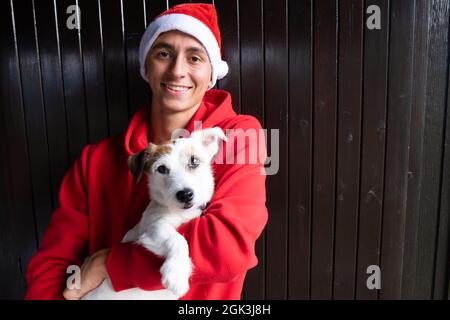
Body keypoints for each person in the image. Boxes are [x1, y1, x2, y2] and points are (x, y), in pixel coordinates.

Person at [25, 3, 268, 300]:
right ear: (146, 67)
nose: (178, 70)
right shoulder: (95, 162)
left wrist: (110, 264)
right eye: (163, 53)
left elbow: (227, 247)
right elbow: (52, 265)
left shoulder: (236, 136)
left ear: (212, 72)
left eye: (195, 57)